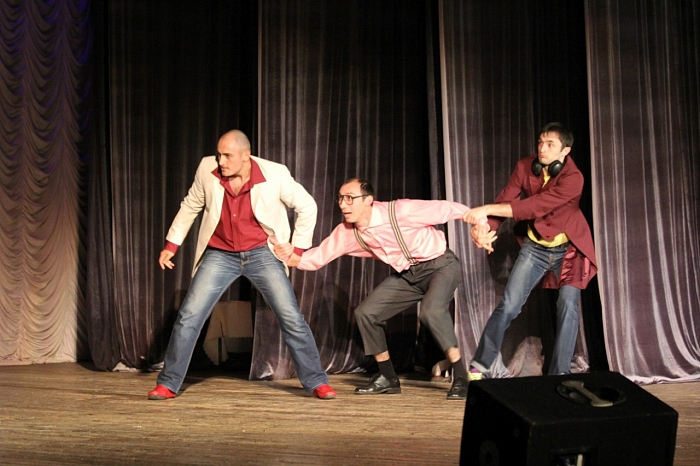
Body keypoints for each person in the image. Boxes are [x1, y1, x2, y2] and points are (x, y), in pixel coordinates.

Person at [148, 129, 337, 400]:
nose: (221, 161)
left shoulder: (275, 174)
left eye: (228, 156)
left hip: (262, 253)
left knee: (291, 317)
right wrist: (171, 245)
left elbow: (308, 206)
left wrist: (297, 249)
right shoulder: (207, 169)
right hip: (220, 254)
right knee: (189, 316)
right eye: (219, 155)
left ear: (246, 155)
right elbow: (190, 206)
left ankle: (317, 381)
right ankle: (168, 383)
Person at [273, 178, 495, 400]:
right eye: (340, 199)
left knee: (431, 310)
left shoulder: (401, 211)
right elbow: (318, 257)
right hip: (408, 275)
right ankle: (388, 377)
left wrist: (481, 224)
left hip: (440, 265)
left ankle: (461, 376)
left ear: (368, 200)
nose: (343, 204)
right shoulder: (347, 232)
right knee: (366, 313)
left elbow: (449, 209)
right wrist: (290, 256)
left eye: (350, 198)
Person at [463, 122, 597, 381]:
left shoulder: (573, 178)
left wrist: (484, 209)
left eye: (550, 145)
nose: (542, 149)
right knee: (509, 305)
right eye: (540, 143)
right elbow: (506, 200)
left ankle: (559, 375)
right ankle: (479, 365)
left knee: (567, 306)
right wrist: (485, 228)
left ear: (565, 151)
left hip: (569, 249)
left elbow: (534, 207)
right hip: (535, 247)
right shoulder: (525, 166)